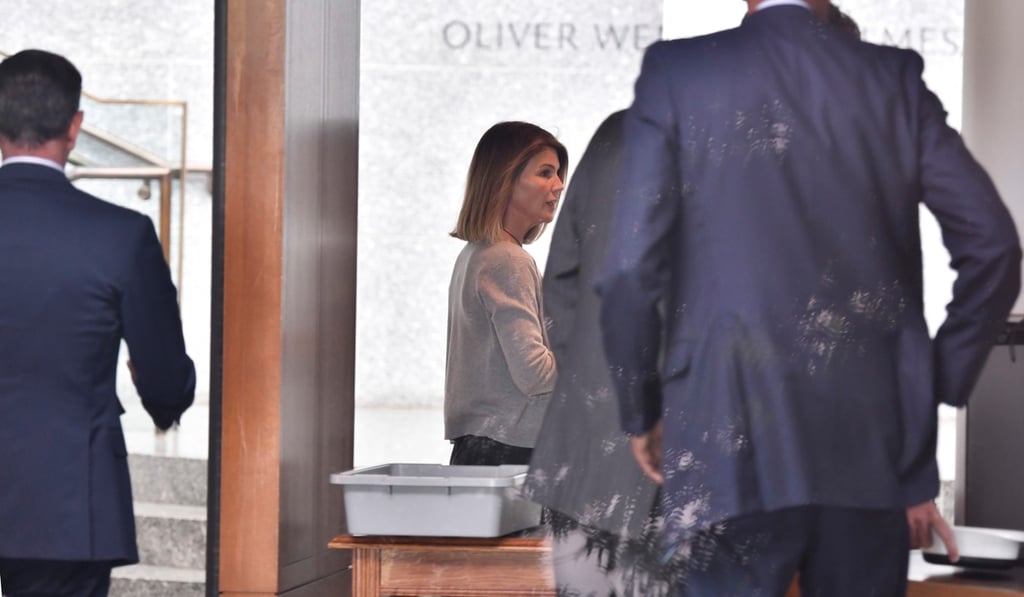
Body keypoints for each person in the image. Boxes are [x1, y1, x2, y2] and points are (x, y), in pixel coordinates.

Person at [599, 0, 1022, 595]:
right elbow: (995, 246)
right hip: (870, 441)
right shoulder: (890, 78)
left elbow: (627, 271)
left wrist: (640, 410)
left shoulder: (681, 73)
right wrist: (937, 379)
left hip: (725, 433)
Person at [0, 49, 196, 597]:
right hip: (66, 500)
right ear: (75, 126)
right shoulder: (119, 234)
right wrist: (166, 403)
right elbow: (163, 375)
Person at [444, 121, 566, 466]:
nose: (558, 186)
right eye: (545, 173)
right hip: (510, 450)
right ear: (505, 180)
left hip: (484, 449)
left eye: (557, 174)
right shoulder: (508, 261)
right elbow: (535, 374)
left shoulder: (477, 253)